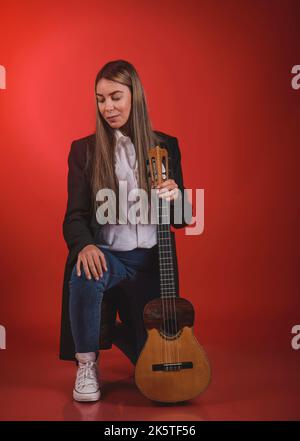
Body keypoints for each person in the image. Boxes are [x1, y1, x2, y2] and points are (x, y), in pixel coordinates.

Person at [59, 59, 191, 402]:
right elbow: (74, 216)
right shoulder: (85, 150)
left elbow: (181, 219)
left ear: (135, 95)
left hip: (151, 263)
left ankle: (120, 332)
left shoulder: (166, 145)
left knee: (154, 365)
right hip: (109, 259)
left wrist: (178, 196)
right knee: (85, 268)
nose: (108, 107)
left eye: (116, 96)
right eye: (101, 99)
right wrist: (85, 246)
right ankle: (86, 364)